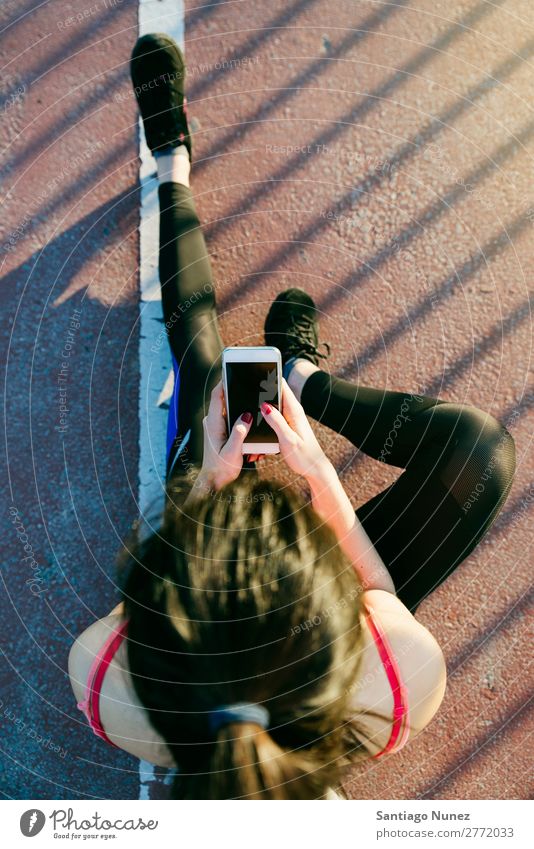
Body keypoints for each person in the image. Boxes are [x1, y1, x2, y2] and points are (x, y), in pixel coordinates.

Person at [68, 34, 516, 800]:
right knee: (480, 454)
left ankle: (169, 157)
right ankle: (303, 381)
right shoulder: (392, 681)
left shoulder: (108, 688)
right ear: (328, 613)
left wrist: (207, 481)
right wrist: (323, 483)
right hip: (291, 700)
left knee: (208, 372)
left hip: (246, 690)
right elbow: (373, 593)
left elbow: (142, 604)